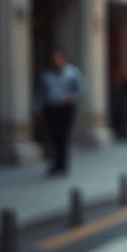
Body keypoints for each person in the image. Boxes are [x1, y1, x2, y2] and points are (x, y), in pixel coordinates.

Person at [34, 48, 84, 176]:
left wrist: (72, 97)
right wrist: (38, 108)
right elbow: (40, 93)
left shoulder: (72, 73)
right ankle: (55, 163)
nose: (56, 61)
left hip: (65, 108)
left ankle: (62, 165)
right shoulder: (46, 75)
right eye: (54, 59)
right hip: (50, 108)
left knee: (62, 135)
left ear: (63, 59)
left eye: (58, 58)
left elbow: (81, 89)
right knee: (53, 136)